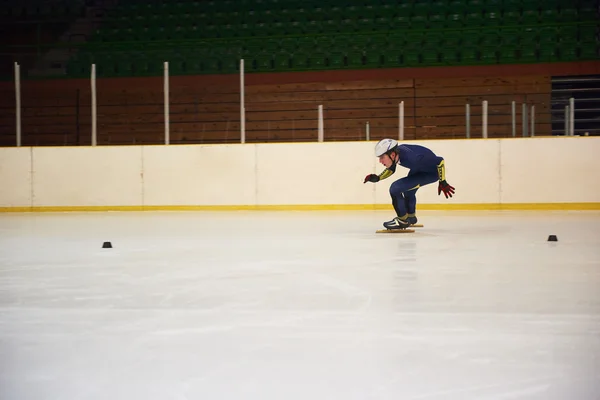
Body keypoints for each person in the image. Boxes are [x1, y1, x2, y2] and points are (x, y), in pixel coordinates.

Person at [364, 138, 455, 230]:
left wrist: (443, 181)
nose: (380, 161)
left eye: (382, 157)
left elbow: (440, 161)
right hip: (419, 169)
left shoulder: (414, 158)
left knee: (395, 188)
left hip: (430, 173)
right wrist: (378, 177)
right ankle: (411, 217)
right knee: (408, 191)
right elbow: (392, 168)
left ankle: (402, 220)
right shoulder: (397, 154)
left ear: (392, 154)